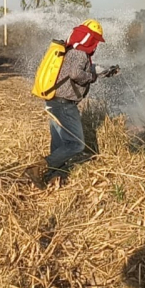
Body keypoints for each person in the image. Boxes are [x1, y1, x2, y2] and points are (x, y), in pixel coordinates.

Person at [25, 19, 119, 186]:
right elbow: (77, 74)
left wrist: (106, 72)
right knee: (76, 144)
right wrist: (93, 77)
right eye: (96, 41)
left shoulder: (71, 51)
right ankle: (38, 167)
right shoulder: (79, 53)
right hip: (64, 104)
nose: (96, 45)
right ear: (90, 39)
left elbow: (87, 69)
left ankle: (54, 177)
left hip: (53, 102)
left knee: (59, 143)